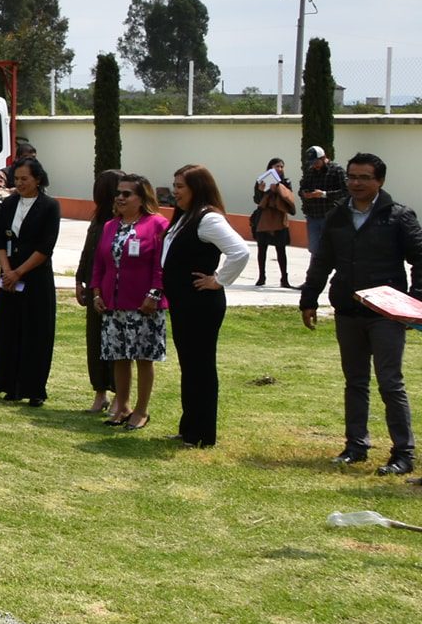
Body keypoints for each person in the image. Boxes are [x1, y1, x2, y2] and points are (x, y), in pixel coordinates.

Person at [299, 152, 422, 476]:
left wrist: (413, 301)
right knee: (355, 381)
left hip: (386, 313)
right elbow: (322, 260)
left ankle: (403, 453)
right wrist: (309, 298)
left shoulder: (398, 216)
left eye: (364, 177)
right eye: (352, 177)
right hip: (348, 309)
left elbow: (420, 259)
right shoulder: (338, 215)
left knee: (389, 382)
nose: (356, 183)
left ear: (379, 180)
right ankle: (356, 446)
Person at [162, 164, 251, 448]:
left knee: (200, 366)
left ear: (197, 189)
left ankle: (202, 433)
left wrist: (219, 280)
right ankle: (189, 427)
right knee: (190, 365)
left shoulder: (208, 219)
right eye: (174, 185)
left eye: (180, 187)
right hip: (183, 303)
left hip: (200, 304)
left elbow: (240, 251)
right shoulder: (186, 217)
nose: (175, 192)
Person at [91, 174, 169, 428]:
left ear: (142, 198)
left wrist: (154, 294)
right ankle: (121, 406)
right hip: (113, 303)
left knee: (143, 357)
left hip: (144, 305)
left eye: (127, 194)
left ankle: (141, 410)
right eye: (118, 193)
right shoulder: (110, 226)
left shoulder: (156, 224)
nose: (120, 198)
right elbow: (100, 263)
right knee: (119, 356)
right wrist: (96, 293)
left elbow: (161, 265)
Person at [0, 157, 61, 405]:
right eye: (16, 179)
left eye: (24, 179)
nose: (19, 183)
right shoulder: (9, 204)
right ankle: (10, 385)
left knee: (36, 332)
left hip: (35, 277)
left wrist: (19, 272)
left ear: (37, 179)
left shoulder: (50, 206)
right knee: (9, 330)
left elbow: (45, 247)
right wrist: (7, 271)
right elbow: (0, 240)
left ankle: (34, 388)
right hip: (9, 278)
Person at [74, 169, 124, 414]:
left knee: (115, 343)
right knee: (95, 342)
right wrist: (79, 280)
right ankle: (100, 392)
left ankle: (118, 395)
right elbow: (87, 252)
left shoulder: (120, 223)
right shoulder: (97, 220)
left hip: (112, 289)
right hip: (93, 287)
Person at [252, 157, 295, 287]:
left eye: (282, 166)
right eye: (277, 166)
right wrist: (260, 190)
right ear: (270, 168)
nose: (280, 169)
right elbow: (256, 200)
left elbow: (289, 198)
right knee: (262, 248)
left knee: (281, 249)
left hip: (279, 217)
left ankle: (284, 279)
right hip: (264, 217)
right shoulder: (260, 181)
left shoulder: (286, 182)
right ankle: (261, 277)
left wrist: (278, 189)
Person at [298, 146, 346, 257]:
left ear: (323, 158)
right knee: (314, 249)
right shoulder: (310, 172)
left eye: (316, 162)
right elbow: (301, 189)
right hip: (313, 216)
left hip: (330, 216)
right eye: (311, 162)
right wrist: (305, 194)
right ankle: (316, 272)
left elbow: (345, 192)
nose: (314, 165)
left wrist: (324, 194)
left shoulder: (337, 170)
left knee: (331, 248)